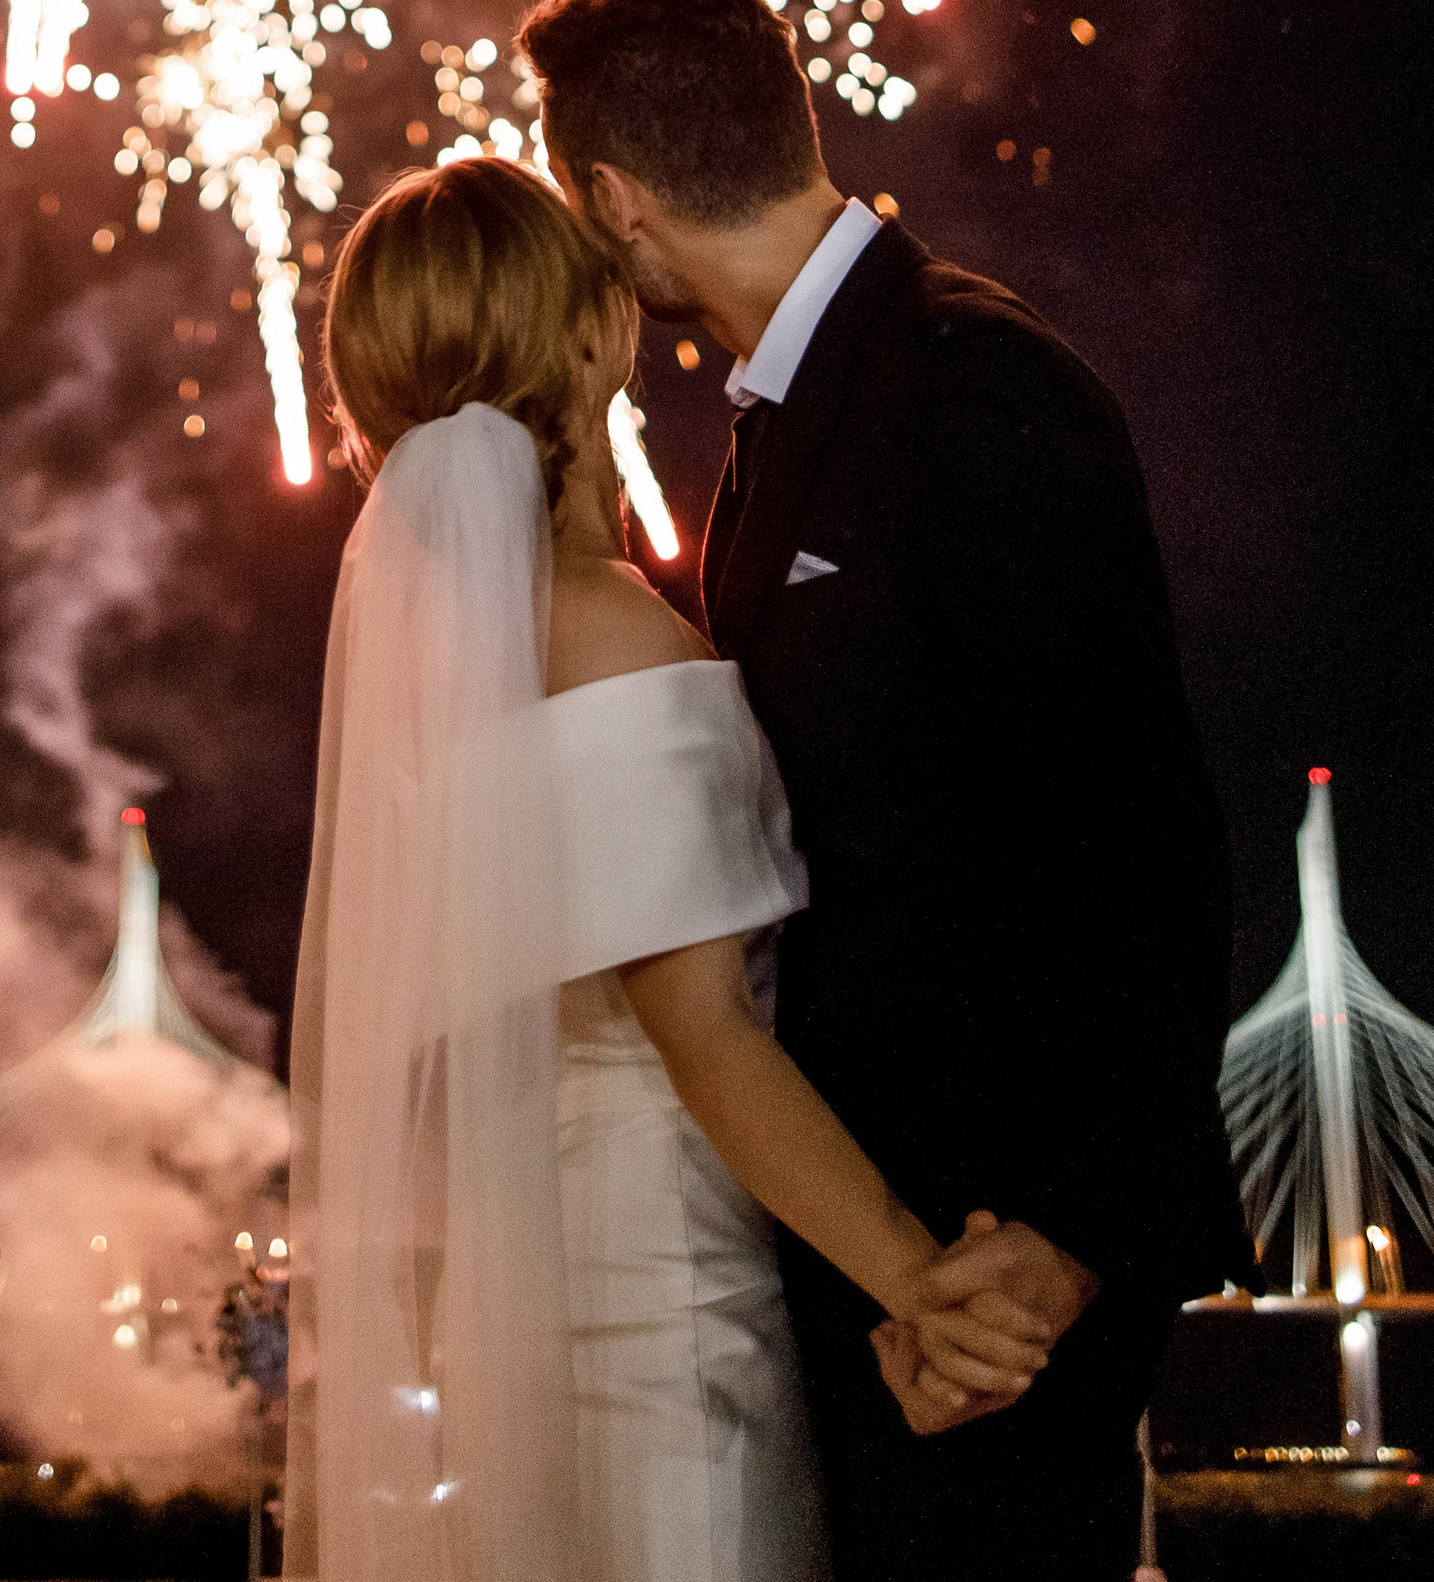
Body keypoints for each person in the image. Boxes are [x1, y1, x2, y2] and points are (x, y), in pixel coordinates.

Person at [516, 0, 1256, 1582]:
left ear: (617, 204)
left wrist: (1056, 1250)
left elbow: (1142, 845)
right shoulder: (784, 417)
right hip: (876, 1259)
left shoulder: (974, 380)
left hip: (995, 1272)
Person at [283, 155, 1058, 1582]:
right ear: (593, 337)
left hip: (505, 1329)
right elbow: (701, 1034)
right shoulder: (615, 639)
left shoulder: (421, 683)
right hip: (669, 1319)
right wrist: (918, 1285)